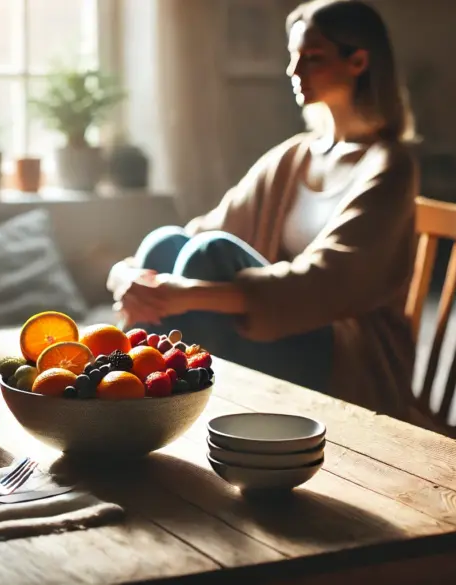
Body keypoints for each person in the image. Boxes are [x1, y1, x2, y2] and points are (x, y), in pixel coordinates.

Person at [106, 0, 419, 419]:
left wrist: (186, 294)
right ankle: (130, 403)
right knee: (167, 243)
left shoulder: (389, 165)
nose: (294, 71)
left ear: (358, 61)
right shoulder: (295, 156)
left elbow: (328, 282)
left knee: (209, 254)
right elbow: (200, 228)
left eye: (313, 58)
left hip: (350, 360)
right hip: (285, 334)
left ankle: (135, 412)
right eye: (293, 57)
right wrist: (125, 274)